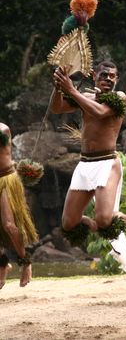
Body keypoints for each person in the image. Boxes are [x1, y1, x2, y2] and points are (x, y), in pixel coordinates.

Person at [49, 61, 126, 272]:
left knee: (105, 219)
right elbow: (56, 107)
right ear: (94, 75)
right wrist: (58, 86)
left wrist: (70, 90)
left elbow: (100, 112)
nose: (108, 79)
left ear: (116, 79)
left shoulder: (119, 98)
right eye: (104, 75)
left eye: (112, 76)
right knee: (69, 223)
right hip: (85, 164)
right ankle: (109, 222)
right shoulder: (84, 97)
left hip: (107, 163)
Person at [0, 122, 38, 289]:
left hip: (6, 179)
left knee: (9, 225)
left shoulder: (3, 129)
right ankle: (2, 266)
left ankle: (25, 262)